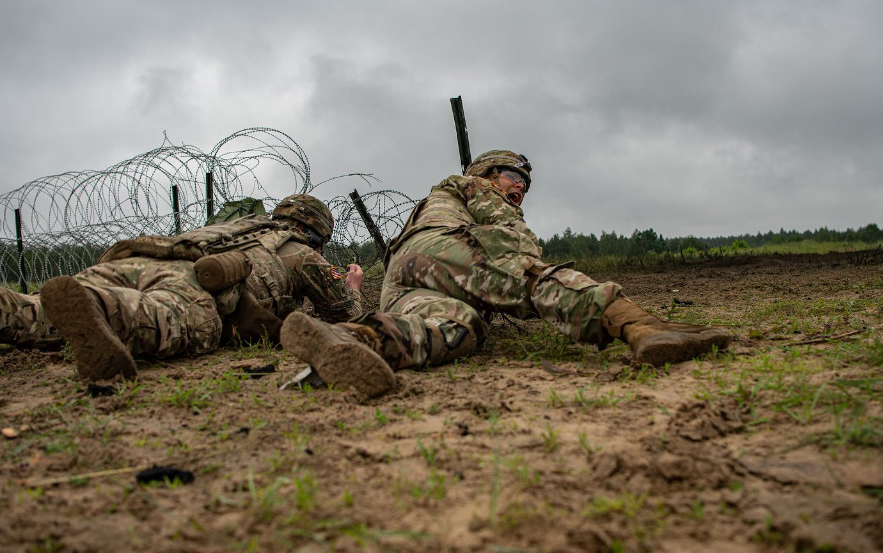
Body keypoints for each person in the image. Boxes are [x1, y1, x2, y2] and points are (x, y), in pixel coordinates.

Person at [279, 151, 731, 397]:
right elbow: (511, 243)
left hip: (404, 279)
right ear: (487, 173)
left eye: (525, 184)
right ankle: (642, 327)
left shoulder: (435, 201)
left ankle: (363, 341)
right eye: (513, 175)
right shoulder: (470, 186)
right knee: (530, 276)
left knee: (459, 327)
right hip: (442, 250)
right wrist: (529, 270)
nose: (519, 186)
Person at [0, 194, 364, 381]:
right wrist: (353, 286)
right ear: (319, 236)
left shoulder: (243, 224)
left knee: (43, 310)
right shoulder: (303, 253)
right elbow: (345, 316)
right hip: (197, 283)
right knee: (156, 316)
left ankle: (12, 307)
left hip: (143, 256)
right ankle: (100, 304)